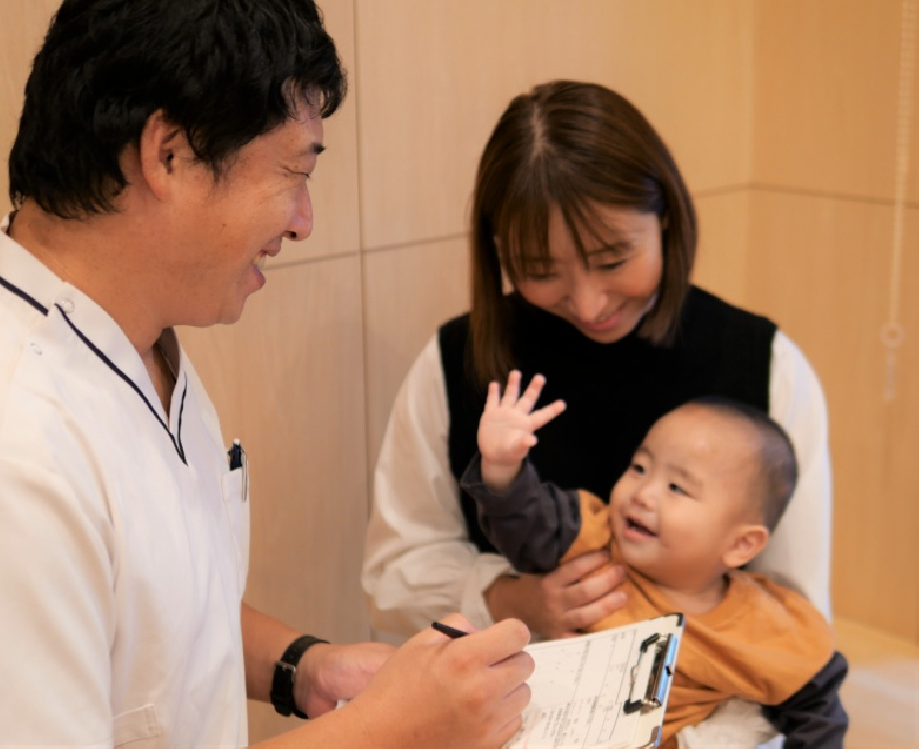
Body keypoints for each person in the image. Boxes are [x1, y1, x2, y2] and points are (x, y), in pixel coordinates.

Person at [0, 1, 534, 747]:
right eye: (292, 172)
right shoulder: (0, 460)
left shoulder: (133, 339)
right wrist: (387, 731)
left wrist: (304, 669)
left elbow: (141, 605)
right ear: (168, 153)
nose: (303, 220)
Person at [361, 79, 846, 739]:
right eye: (541, 269)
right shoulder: (458, 360)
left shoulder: (765, 365)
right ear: (498, 250)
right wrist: (510, 597)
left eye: (613, 258)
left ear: (666, 215)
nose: (588, 304)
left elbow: (796, 620)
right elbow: (392, 576)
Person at [463, 374, 848, 747]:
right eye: (639, 468)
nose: (643, 493)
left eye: (677, 487)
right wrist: (502, 468)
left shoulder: (767, 627)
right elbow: (526, 524)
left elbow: (816, 711)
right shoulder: (592, 538)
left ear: (741, 545)